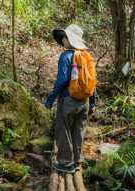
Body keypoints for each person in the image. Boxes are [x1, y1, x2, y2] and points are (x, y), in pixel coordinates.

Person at [45, 24, 97, 174]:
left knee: (64, 130)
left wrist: (50, 99)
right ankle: (77, 161)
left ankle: (66, 163)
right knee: (78, 131)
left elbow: (61, 81)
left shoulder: (66, 56)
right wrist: (92, 102)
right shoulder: (87, 56)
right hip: (85, 101)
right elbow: (93, 82)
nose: (62, 40)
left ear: (69, 39)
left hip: (69, 100)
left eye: (64, 37)